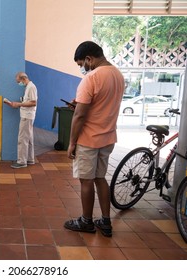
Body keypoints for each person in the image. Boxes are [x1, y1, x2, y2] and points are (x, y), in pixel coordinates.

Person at [63, 41, 124, 237]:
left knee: (86, 181)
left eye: (82, 63)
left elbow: (80, 116)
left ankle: (86, 221)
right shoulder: (118, 75)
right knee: (100, 179)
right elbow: (101, 104)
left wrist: (71, 143)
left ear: (89, 59)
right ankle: (106, 222)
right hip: (108, 137)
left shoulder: (91, 78)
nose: (82, 68)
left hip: (88, 139)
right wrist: (80, 105)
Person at [4, 72, 37, 168]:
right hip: (28, 116)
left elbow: (33, 102)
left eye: (19, 82)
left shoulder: (31, 87)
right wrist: (18, 104)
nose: (19, 84)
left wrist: (19, 104)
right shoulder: (28, 87)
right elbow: (29, 101)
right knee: (29, 139)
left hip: (27, 117)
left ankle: (22, 161)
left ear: (23, 79)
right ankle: (30, 159)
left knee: (22, 139)